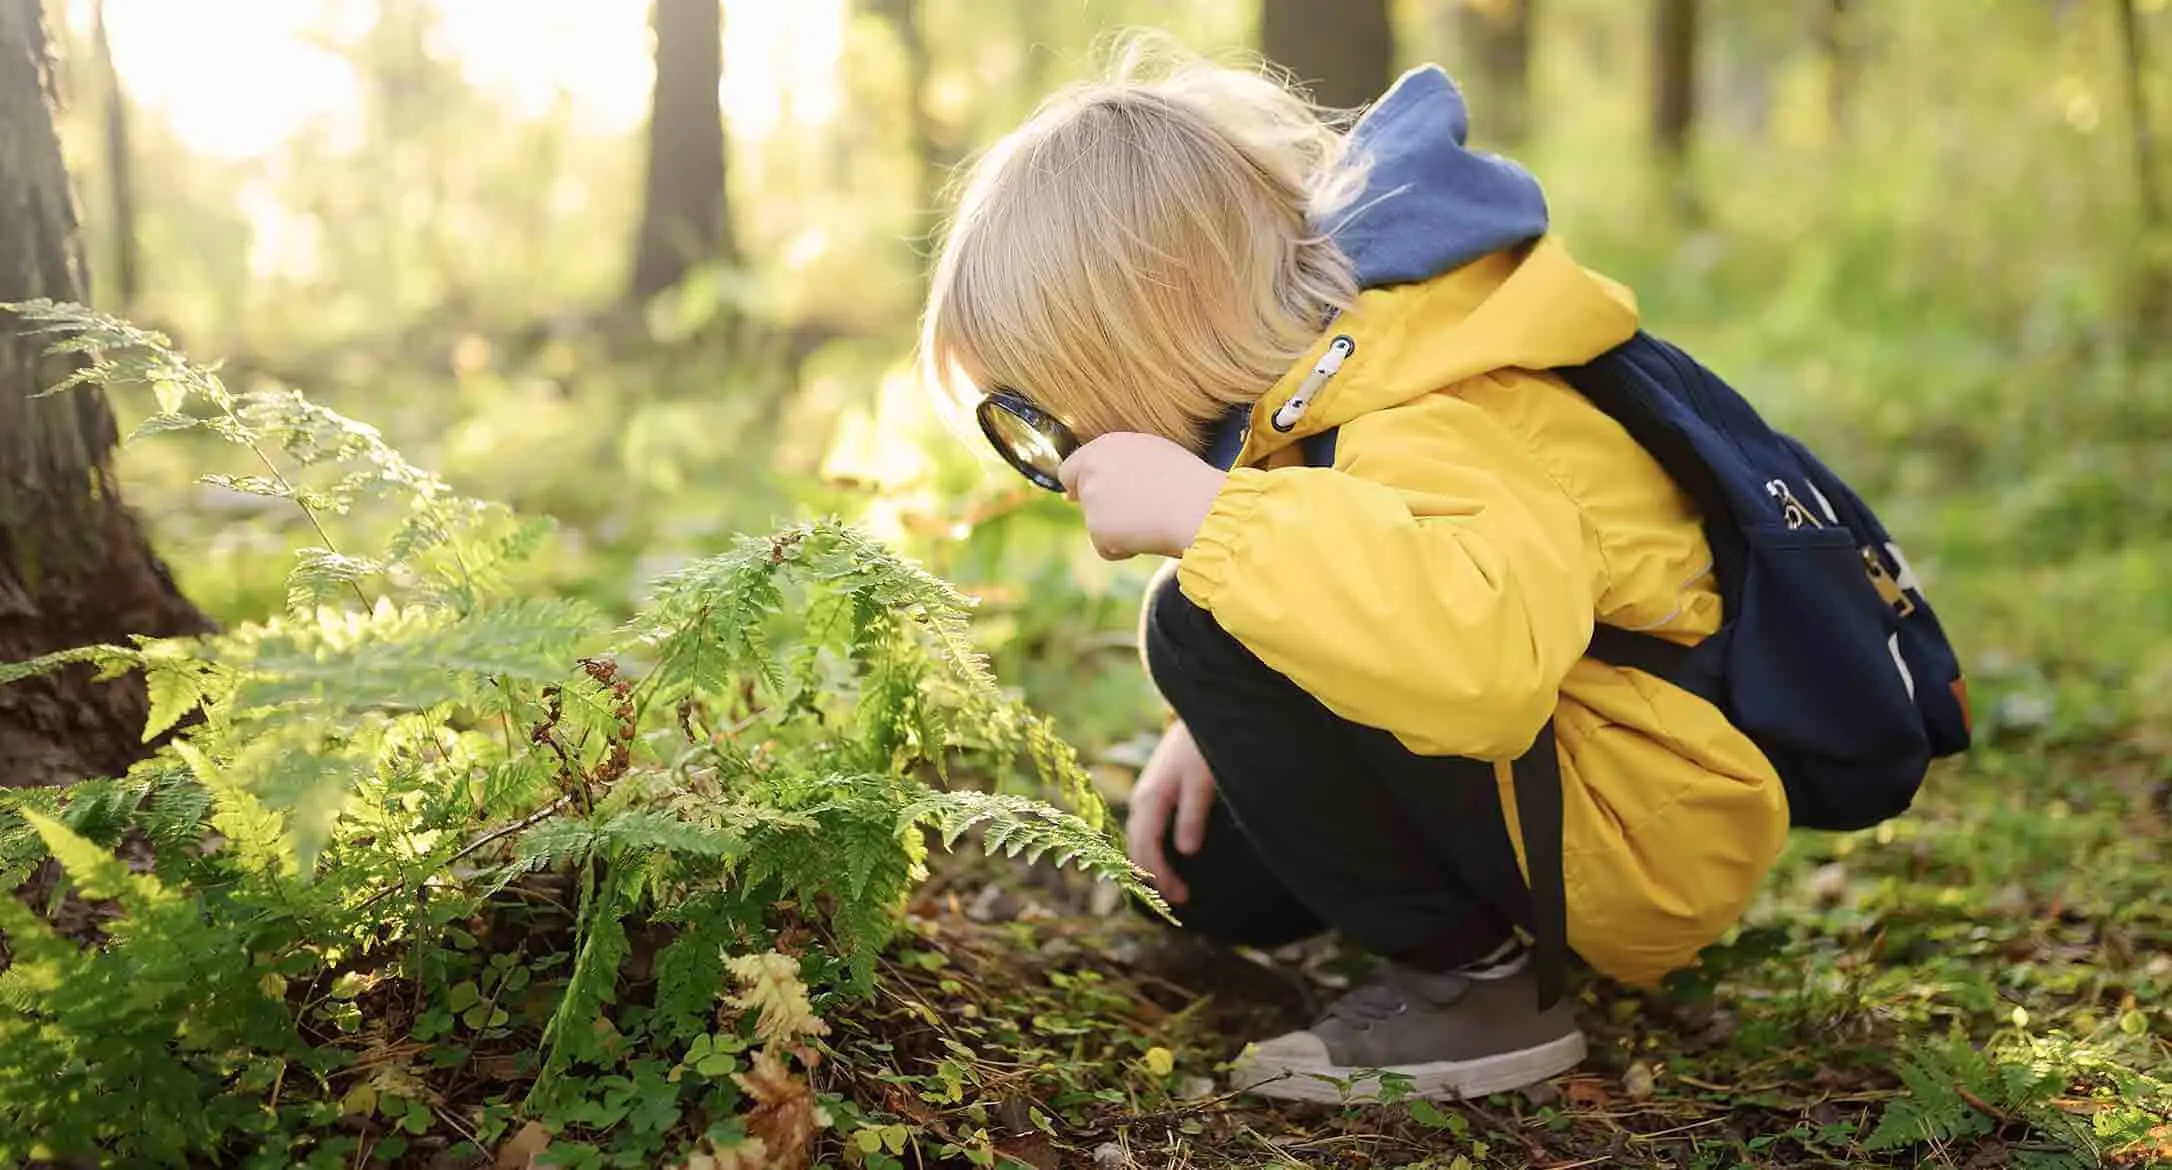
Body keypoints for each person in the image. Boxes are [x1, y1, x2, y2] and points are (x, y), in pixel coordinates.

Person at [916, 38, 1790, 1104]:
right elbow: (1366, 567)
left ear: (1141, 345)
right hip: (1576, 780)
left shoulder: (1429, 398)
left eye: (1039, 415)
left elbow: (1483, 659)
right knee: (1215, 878)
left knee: (1191, 619)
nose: (1051, 455)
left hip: (1641, 824)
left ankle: (1477, 993)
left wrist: (1208, 520)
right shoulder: (1322, 383)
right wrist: (1215, 724)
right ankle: (1438, 933)